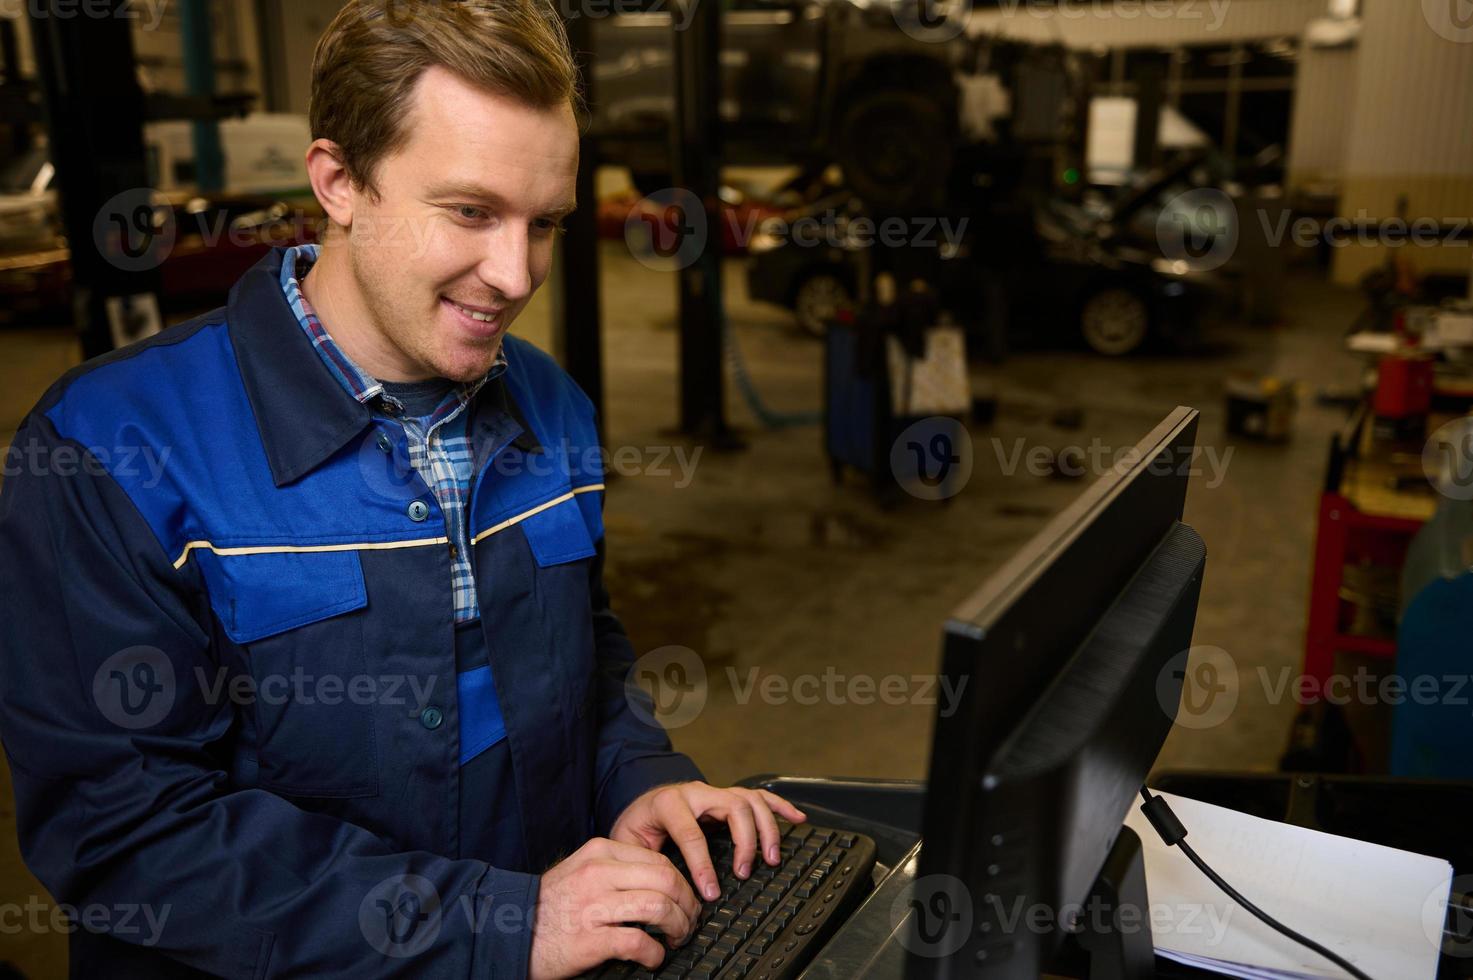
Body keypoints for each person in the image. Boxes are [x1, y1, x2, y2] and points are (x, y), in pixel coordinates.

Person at [0, 1, 802, 976]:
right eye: (470, 211)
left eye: (543, 222)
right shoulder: (111, 451)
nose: (514, 275)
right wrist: (494, 924)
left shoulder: (550, 405)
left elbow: (583, 650)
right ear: (339, 181)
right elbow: (125, 835)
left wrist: (639, 775)